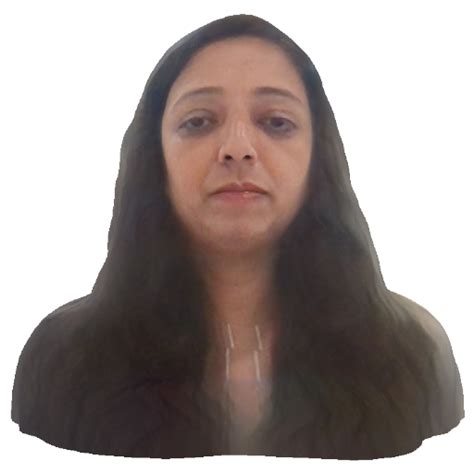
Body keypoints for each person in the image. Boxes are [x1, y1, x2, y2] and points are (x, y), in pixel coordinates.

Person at [11, 14, 464, 459]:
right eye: (199, 121)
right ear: (155, 157)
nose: (237, 148)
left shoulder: (415, 355)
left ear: (318, 156)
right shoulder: (61, 363)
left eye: (276, 122)